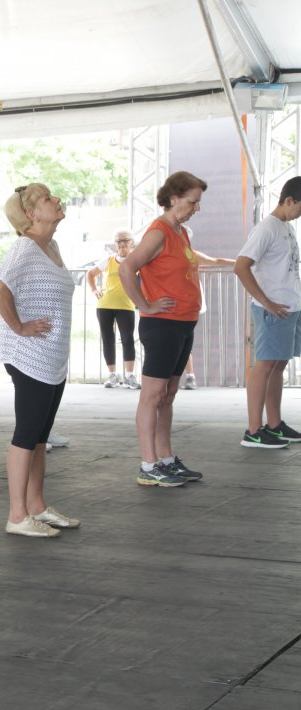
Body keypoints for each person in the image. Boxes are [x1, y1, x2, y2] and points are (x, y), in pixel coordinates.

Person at [120, 171, 235, 486]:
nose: (196, 208)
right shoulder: (158, 232)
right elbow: (126, 267)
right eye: (192, 201)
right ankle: (148, 465)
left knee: (168, 394)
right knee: (153, 394)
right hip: (162, 325)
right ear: (173, 198)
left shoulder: (181, 233)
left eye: (198, 202)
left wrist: (230, 262)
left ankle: (166, 459)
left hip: (184, 321)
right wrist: (144, 305)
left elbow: (190, 263)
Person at [0, 184, 80, 537]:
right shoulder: (24, 247)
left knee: (40, 436)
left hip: (51, 355)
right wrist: (19, 326)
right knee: (26, 434)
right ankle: (17, 515)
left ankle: (37, 505)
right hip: (29, 355)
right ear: (31, 214)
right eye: (48, 199)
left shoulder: (51, 246)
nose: (57, 201)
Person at [234, 175, 301, 449]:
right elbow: (240, 266)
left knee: (278, 364)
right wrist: (267, 302)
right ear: (289, 200)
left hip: (290, 308)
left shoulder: (286, 227)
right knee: (264, 365)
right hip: (273, 310)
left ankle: (274, 425)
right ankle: (253, 430)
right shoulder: (267, 228)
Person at [87, 230, 141, 389]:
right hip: (105, 305)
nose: (122, 244)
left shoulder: (137, 261)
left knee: (127, 339)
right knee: (107, 339)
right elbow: (90, 274)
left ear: (132, 242)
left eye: (125, 240)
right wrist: (95, 290)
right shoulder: (109, 260)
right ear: (115, 244)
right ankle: (112, 375)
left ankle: (130, 376)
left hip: (126, 305)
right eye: (118, 241)